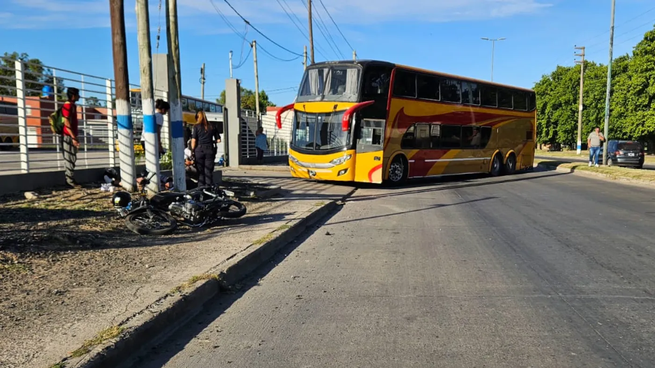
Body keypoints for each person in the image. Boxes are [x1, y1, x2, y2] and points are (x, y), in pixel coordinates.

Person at [191, 111, 221, 187]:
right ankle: (208, 188)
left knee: (200, 172)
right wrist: (211, 141)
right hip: (209, 150)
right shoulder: (212, 126)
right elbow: (218, 140)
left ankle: (200, 189)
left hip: (199, 150)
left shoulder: (196, 127)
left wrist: (192, 150)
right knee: (208, 171)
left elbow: (193, 140)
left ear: (198, 118)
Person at [62, 87, 81, 188]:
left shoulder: (72, 106)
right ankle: (69, 181)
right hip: (68, 136)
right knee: (70, 158)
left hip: (71, 135)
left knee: (72, 157)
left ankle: (70, 179)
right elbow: (66, 122)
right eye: (78, 94)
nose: (79, 96)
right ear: (73, 96)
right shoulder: (68, 106)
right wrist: (73, 137)